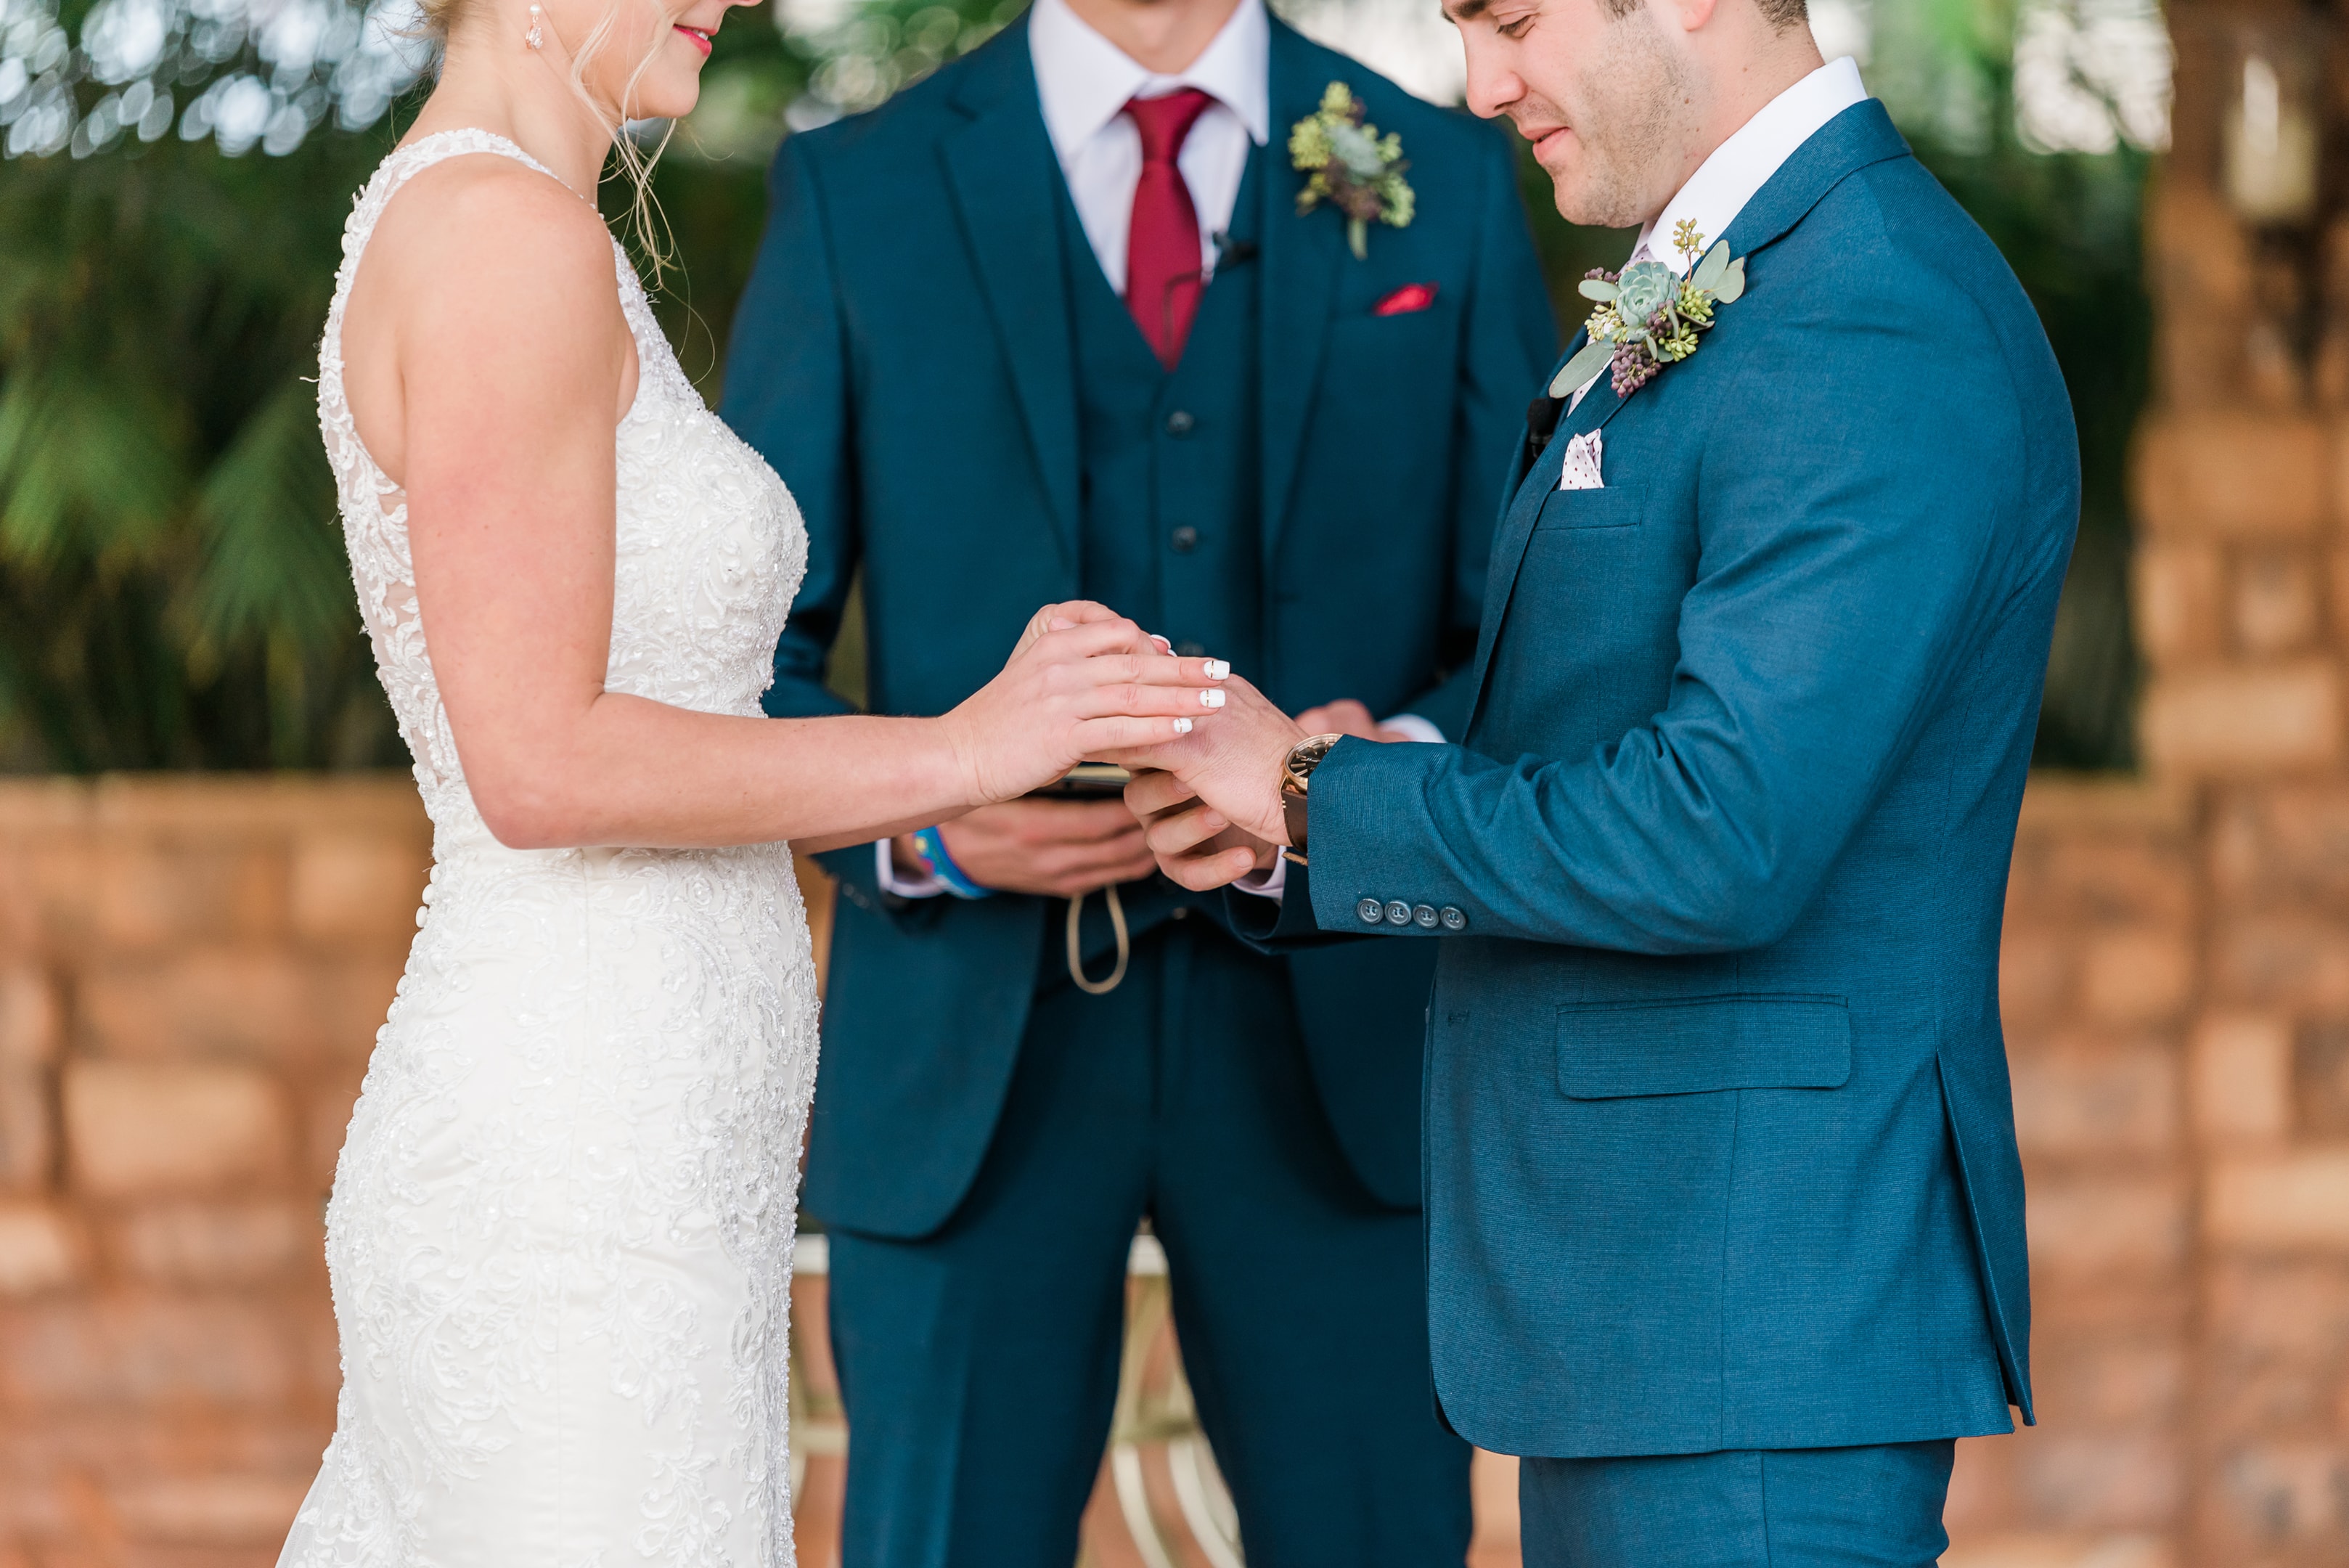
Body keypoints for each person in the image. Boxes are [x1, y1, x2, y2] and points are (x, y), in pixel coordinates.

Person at [1119, 0, 2080, 1562]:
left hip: (1751, 1321)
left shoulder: (1870, 311)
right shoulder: (1754, 274)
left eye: (1507, 21)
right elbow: (1609, 730)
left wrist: (1320, 796)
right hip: (1656, 1325)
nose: (1484, 86)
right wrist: (1289, 812)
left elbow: (1722, 833)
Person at [279, 0, 1224, 1554]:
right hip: (571, 1169)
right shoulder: (501, 241)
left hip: (646, 1155)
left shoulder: (525, 225)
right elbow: (537, 760)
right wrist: (965, 749)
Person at [718, 0, 1554, 1559]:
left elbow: (1533, 626)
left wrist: (1351, 792)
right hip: (967, 1046)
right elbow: (735, 647)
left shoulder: (1440, 169)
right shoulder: (863, 189)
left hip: (1343, 1048)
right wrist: (927, 822)